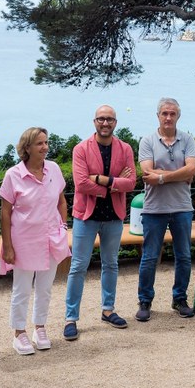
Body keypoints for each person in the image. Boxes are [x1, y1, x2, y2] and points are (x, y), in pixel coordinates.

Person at [63, 105, 136, 340]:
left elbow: (132, 183)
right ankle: (71, 318)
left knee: (111, 265)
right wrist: (113, 186)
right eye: (101, 119)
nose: (105, 123)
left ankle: (108, 310)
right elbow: (82, 184)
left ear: (115, 123)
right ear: (94, 121)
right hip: (86, 216)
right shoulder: (81, 149)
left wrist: (102, 179)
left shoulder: (125, 149)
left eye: (110, 119)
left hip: (114, 217)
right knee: (78, 267)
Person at [0, 127, 70, 355]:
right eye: (39, 143)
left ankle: (40, 328)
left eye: (46, 142)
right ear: (27, 147)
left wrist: (63, 227)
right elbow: (5, 213)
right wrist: (7, 246)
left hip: (51, 238)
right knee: (21, 289)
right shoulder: (13, 175)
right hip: (24, 241)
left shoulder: (54, 169)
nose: (45, 147)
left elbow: (61, 201)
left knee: (45, 288)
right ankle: (19, 333)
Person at [136, 97, 195, 321]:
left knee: (184, 257)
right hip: (154, 209)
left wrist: (161, 177)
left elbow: (191, 169)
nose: (168, 117)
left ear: (178, 116)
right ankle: (145, 300)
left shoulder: (188, 139)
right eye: (165, 113)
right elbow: (146, 173)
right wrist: (177, 175)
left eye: (172, 114)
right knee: (150, 258)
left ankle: (179, 299)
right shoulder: (147, 141)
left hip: (182, 207)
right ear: (158, 116)